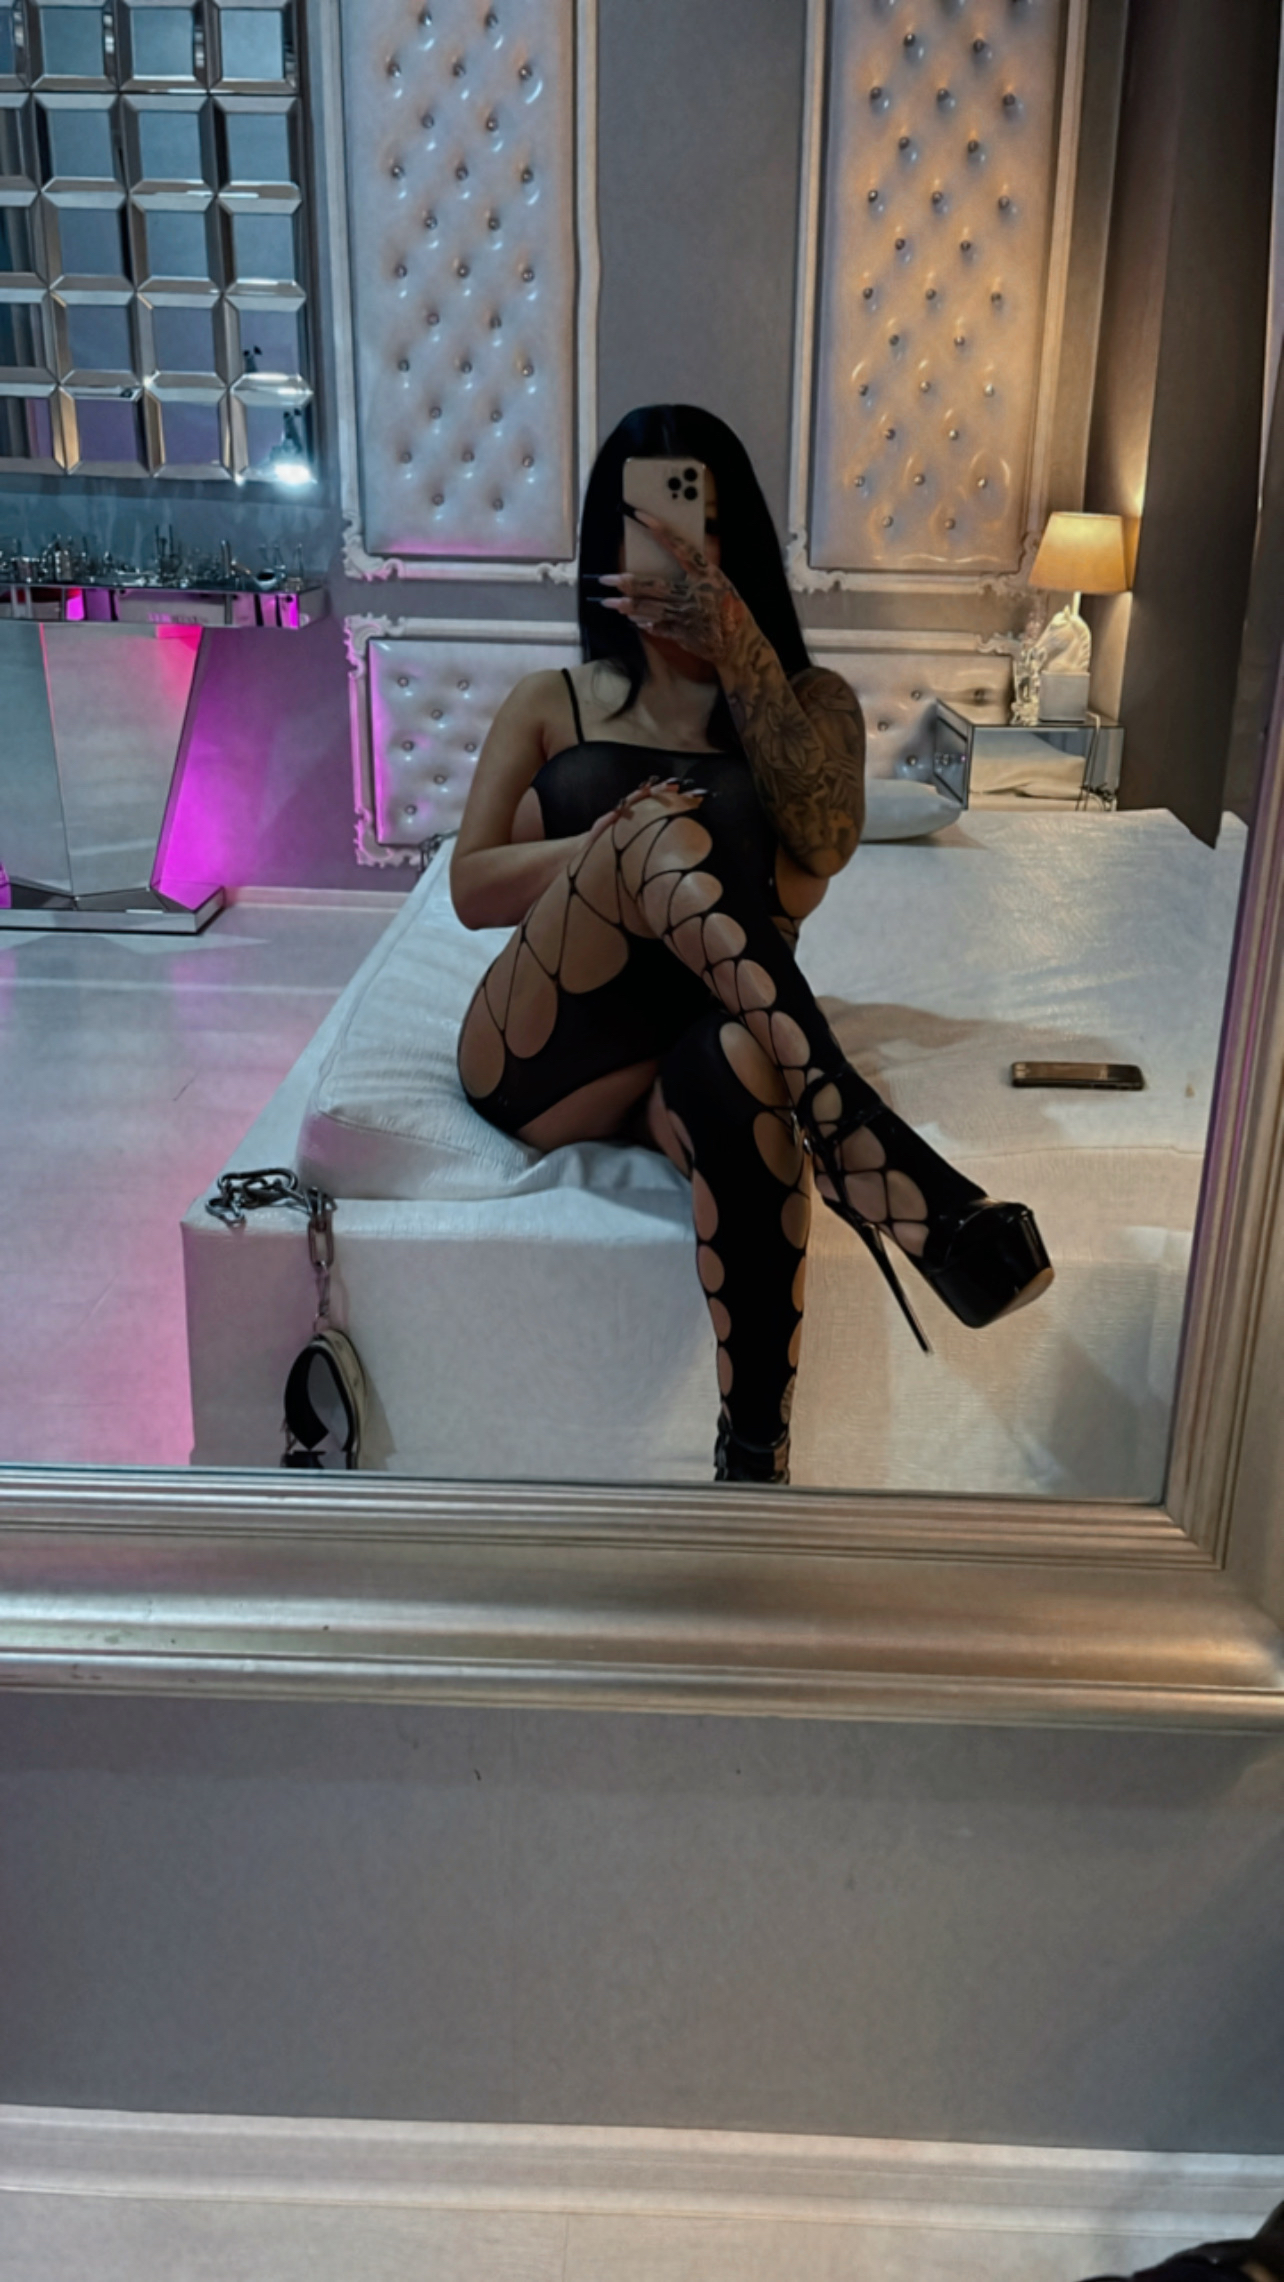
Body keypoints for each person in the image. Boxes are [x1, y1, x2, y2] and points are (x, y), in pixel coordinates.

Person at [451, 405, 1052, 1483]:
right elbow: (470, 889)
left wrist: (740, 653)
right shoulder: (551, 703)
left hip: (707, 1048)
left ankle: (753, 1460)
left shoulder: (812, 706)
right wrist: (612, 846)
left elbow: (825, 842)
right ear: (605, 540)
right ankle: (864, 1143)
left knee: (738, 1060)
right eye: (647, 520)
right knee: (653, 830)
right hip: (548, 1051)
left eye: (704, 522)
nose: (678, 546)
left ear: (743, 545)